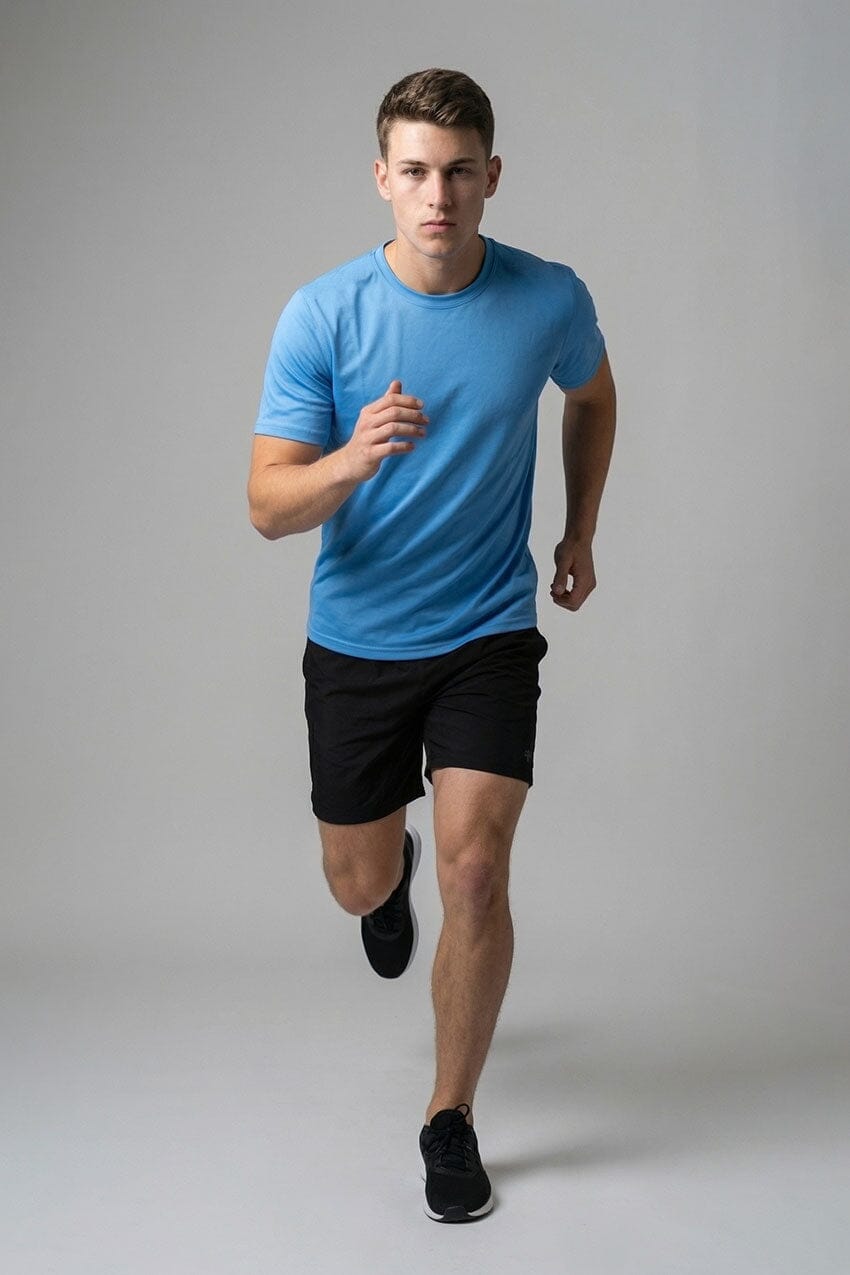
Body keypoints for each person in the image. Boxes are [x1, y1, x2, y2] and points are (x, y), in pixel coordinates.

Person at [247, 67, 616, 1222]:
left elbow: (592, 397)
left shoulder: (546, 298)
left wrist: (579, 531)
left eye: (458, 172)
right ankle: (384, 878)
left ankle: (448, 1117)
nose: (438, 196)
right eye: (415, 172)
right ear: (381, 179)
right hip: (358, 642)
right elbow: (266, 506)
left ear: (491, 176)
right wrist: (352, 458)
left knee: (478, 871)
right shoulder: (323, 315)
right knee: (357, 880)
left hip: (486, 632)